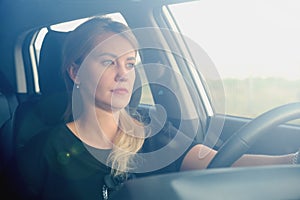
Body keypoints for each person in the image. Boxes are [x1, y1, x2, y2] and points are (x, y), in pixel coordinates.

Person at [12, 17, 299, 200]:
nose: (122, 73)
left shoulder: (152, 133)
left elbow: (216, 160)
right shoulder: (40, 153)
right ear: (75, 72)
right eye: (107, 62)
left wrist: (292, 161)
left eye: (130, 63)